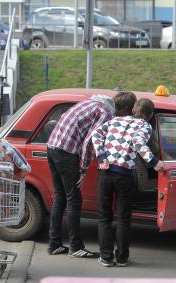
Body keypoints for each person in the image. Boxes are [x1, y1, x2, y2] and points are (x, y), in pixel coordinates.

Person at [46, 92, 137, 258]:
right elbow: (90, 140)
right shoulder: (106, 113)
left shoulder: (90, 102)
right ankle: (75, 247)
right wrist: (84, 168)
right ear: (124, 110)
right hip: (67, 152)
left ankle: (54, 244)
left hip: (52, 147)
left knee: (60, 196)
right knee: (74, 200)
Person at [92, 98, 165, 267]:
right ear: (150, 114)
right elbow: (138, 143)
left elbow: (96, 134)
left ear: (133, 110)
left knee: (104, 217)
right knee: (123, 218)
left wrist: (101, 156)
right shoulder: (145, 126)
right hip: (124, 176)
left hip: (104, 174)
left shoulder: (115, 120)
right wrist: (155, 163)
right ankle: (122, 258)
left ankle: (106, 257)